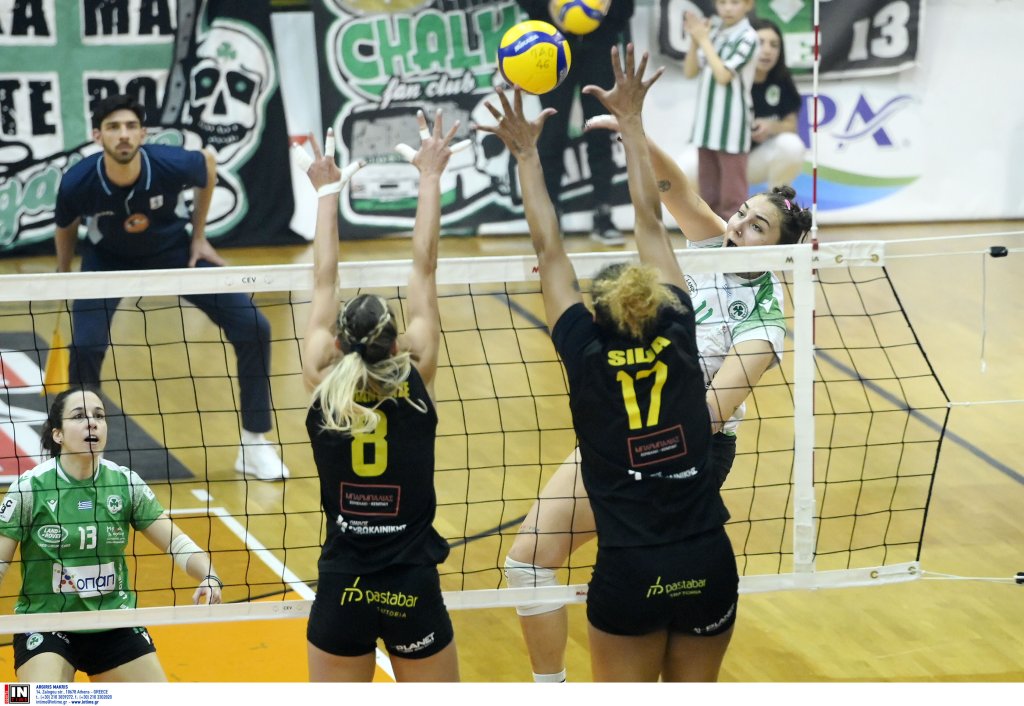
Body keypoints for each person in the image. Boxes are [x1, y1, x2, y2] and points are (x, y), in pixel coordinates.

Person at [503, 93, 813, 685]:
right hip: (633, 420)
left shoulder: (763, 324)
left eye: (756, 227)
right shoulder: (713, 243)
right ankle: (552, 688)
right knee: (528, 563)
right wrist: (634, 132)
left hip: (688, 447)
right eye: (741, 213)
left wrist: (615, 393)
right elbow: (672, 195)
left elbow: (708, 415)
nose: (737, 226)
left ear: (780, 251)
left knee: (639, 580)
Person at [480, 44, 743, 682]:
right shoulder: (680, 335)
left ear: (594, 316)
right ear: (660, 301)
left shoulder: (587, 357)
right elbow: (650, 222)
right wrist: (632, 124)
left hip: (631, 575)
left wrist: (526, 156)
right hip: (707, 567)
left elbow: (550, 249)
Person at [53, 93, 289, 481]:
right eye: (113, 127)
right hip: (106, 261)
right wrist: (62, 275)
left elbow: (207, 165)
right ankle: (82, 452)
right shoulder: (78, 181)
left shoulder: (169, 163)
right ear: (98, 136)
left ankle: (254, 444)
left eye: (131, 126)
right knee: (85, 347)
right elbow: (65, 225)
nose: (123, 134)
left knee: (253, 326)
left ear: (143, 134)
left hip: (175, 253)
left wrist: (199, 236)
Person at [300, 113, 460, 682]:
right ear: (398, 340)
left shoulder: (320, 382)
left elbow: (324, 279)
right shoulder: (417, 376)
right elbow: (424, 265)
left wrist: (327, 192)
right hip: (410, 585)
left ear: (337, 343)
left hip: (342, 586)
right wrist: (430, 177)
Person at [0, 386, 223, 682]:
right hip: (47, 622)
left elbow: (177, 543)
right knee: (40, 700)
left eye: (99, 416)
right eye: (79, 416)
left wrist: (209, 576)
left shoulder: (124, 484)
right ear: (58, 434)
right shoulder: (30, 488)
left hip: (113, 621)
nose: (92, 423)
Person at [515, 0, 635, 246]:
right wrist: (548, 8)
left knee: (600, 130)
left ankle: (603, 213)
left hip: (600, 43)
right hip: (550, 46)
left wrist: (605, 10)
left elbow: (626, 9)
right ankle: (550, 215)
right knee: (551, 132)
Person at [676, 17, 806, 192]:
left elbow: (791, 125)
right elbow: (690, 71)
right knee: (683, 168)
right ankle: (703, 207)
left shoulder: (782, 79)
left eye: (774, 45)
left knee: (791, 146)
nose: (767, 51)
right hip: (721, 153)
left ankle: (778, 202)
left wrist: (771, 126)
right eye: (760, 43)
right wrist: (697, 40)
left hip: (754, 159)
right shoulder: (728, 72)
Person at [683, 0, 759, 220]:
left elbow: (723, 75)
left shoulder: (748, 37)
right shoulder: (714, 32)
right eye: (722, 2)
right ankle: (711, 235)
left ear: (748, 5)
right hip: (706, 124)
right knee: (708, 194)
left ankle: (735, 236)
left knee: (733, 196)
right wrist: (695, 41)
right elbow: (690, 71)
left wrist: (703, 40)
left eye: (734, 2)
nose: (727, 8)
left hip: (732, 125)